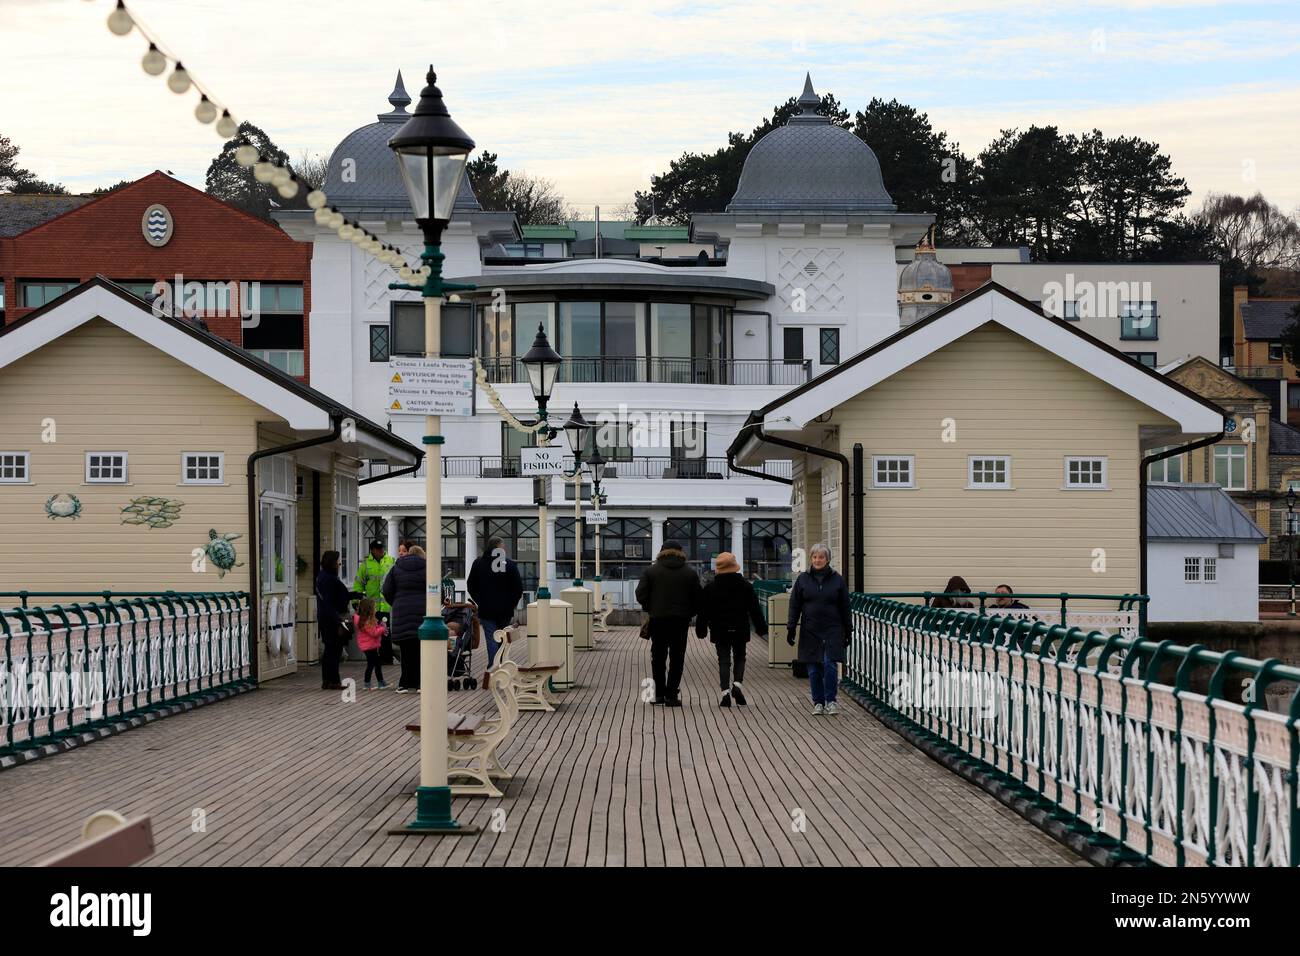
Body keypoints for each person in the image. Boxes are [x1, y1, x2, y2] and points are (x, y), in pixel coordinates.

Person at [787, 542, 851, 716]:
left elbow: (845, 606)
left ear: (827, 559)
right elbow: (795, 605)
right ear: (811, 559)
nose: (818, 560)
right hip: (810, 629)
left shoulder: (837, 579)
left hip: (832, 628)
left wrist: (848, 630)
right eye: (815, 557)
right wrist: (791, 627)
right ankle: (818, 702)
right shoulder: (803, 579)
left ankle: (831, 701)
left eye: (821, 557)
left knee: (830, 664)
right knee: (814, 668)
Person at [695, 551, 766, 707]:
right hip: (740, 628)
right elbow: (754, 609)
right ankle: (737, 685)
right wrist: (761, 628)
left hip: (719, 629)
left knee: (724, 661)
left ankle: (725, 693)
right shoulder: (745, 586)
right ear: (734, 566)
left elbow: (703, 611)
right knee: (740, 657)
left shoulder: (711, 588)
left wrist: (701, 630)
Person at [636, 539, 701, 707]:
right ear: (681, 552)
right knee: (677, 657)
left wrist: (651, 607)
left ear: (661, 552)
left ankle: (657, 695)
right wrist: (689, 613)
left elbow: (640, 594)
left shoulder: (651, 571)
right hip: (680, 621)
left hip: (658, 619)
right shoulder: (690, 573)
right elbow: (698, 598)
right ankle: (671, 695)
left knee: (658, 656)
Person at [466, 537, 524, 672]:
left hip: (486, 608)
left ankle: (494, 667)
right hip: (505, 609)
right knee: (503, 638)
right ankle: (502, 666)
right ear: (499, 549)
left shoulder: (478, 563)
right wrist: (512, 604)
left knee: (491, 637)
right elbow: (518, 588)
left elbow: (471, 586)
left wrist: (479, 600)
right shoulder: (509, 565)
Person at [382, 544, 426, 693]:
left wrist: (395, 602)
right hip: (422, 612)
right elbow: (436, 588)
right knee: (421, 650)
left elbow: (386, 589)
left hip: (401, 611)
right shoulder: (427, 567)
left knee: (406, 650)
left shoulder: (396, 568)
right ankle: (420, 683)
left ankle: (404, 683)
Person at [315, 550, 355, 691]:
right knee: (334, 650)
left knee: (329, 650)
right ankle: (334, 681)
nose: (339, 563)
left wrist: (352, 595)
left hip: (326, 618)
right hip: (332, 619)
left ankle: (327, 680)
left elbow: (333, 597)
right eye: (337, 561)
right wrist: (337, 619)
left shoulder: (322, 576)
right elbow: (330, 601)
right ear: (332, 562)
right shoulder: (330, 579)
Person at [353, 539, 396, 665]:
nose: (381, 551)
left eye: (382, 548)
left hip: (386, 605)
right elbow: (358, 583)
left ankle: (387, 658)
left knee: (386, 631)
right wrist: (356, 601)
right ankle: (375, 657)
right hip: (372, 607)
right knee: (373, 632)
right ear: (372, 550)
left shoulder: (391, 561)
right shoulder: (366, 565)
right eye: (378, 549)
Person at [353, 597, 389, 690]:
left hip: (370, 645)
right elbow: (374, 633)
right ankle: (367, 684)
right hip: (369, 646)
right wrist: (383, 628)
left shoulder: (366, 619)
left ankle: (381, 682)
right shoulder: (365, 621)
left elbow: (374, 629)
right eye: (374, 607)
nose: (375, 609)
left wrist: (380, 626)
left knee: (376, 663)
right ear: (369, 609)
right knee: (371, 664)